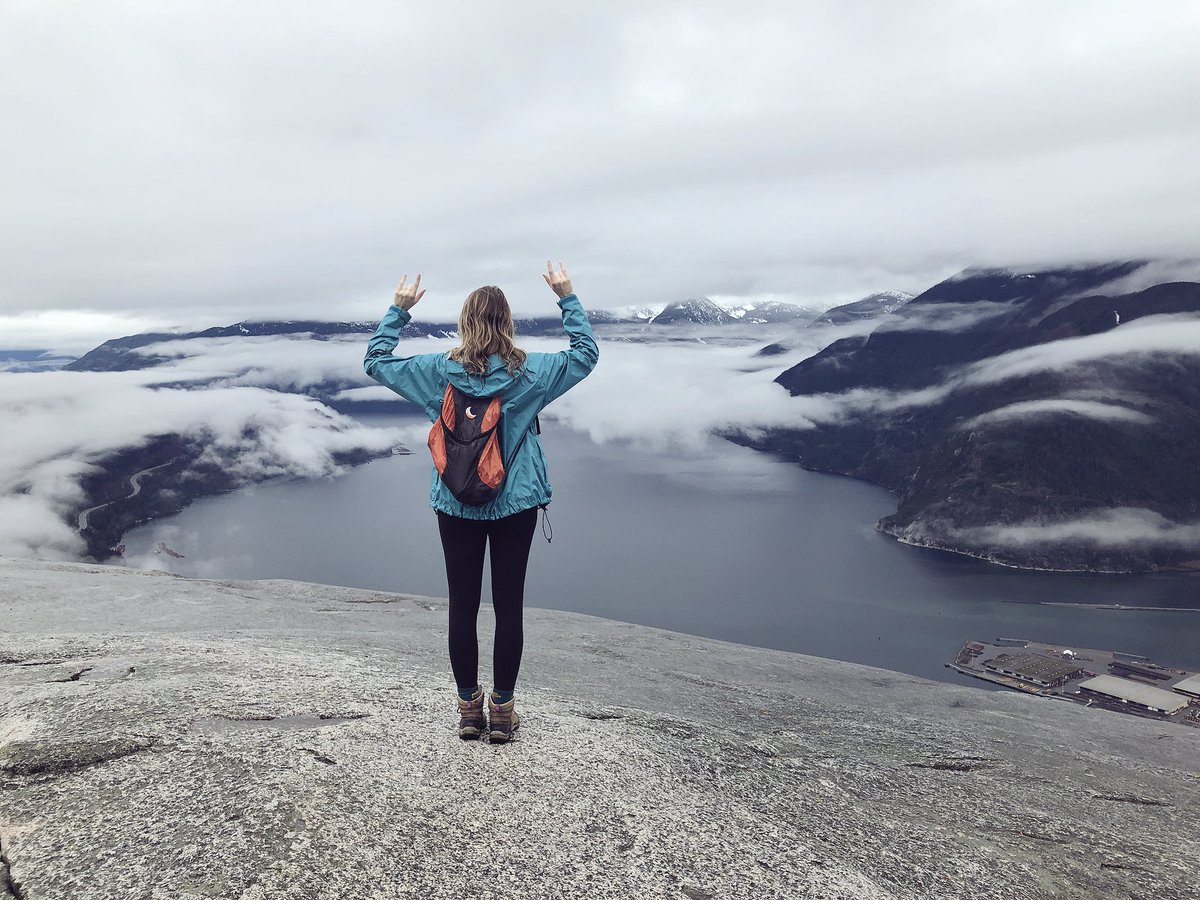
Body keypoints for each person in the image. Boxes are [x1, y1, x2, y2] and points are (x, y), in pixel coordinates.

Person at [363, 261, 599, 743]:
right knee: (509, 606)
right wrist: (567, 297)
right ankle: (504, 714)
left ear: (464, 323)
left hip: (455, 504)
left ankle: (468, 710)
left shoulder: (436, 371)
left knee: (462, 606)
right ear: (507, 323)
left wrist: (398, 311)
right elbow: (586, 354)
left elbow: (377, 361)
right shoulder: (533, 372)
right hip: (515, 506)